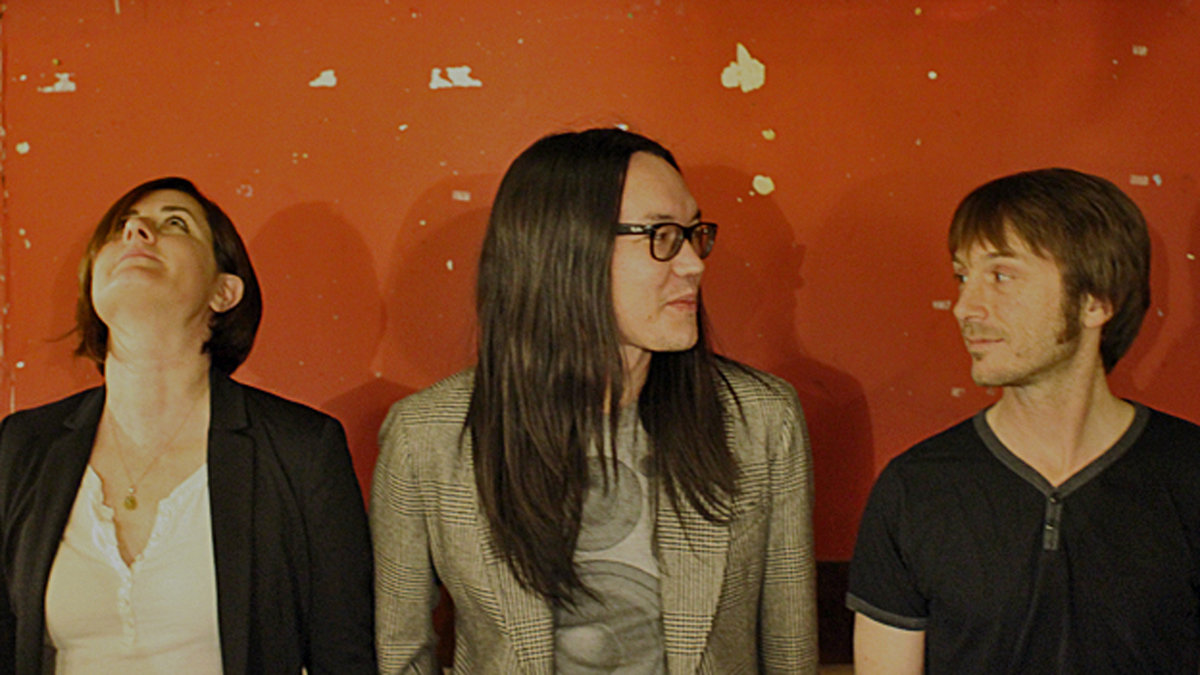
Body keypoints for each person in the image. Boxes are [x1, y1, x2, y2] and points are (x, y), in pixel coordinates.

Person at [372, 128, 817, 673]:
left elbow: (791, 650)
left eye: (693, 234)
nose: (693, 264)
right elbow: (402, 654)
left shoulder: (760, 419)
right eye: (661, 236)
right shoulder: (427, 438)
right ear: (565, 252)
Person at [0, 177, 376, 673]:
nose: (136, 231)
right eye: (121, 227)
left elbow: (345, 657)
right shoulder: (23, 445)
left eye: (174, 223)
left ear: (224, 291)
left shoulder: (301, 450)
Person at [847, 168, 1200, 673]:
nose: (965, 307)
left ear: (1096, 301)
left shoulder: (1187, 473)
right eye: (963, 276)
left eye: (1002, 276)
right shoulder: (915, 488)